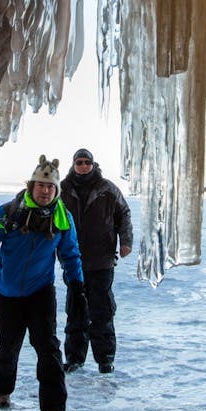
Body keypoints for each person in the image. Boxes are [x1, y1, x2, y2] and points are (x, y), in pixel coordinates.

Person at [0, 155, 85, 411]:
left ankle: (54, 409)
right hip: (7, 292)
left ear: (56, 190)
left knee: (48, 349)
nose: (45, 191)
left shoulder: (63, 218)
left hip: (40, 292)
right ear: (31, 186)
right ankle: (1, 393)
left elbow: (70, 255)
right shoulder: (8, 211)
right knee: (7, 346)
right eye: (41, 185)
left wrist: (77, 287)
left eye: (51, 187)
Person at [59, 147, 133, 374]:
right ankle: (74, 358)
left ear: (93, 164)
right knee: (76, 310)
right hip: (73, 261)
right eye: (79, 162)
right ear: (73, 165)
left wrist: (125, 241)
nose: (83, 166)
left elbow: (124, 215)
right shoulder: (63, 189)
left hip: (102, 261)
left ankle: (105, 359)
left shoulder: (107, 189)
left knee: (102, 311)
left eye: (86, 162)